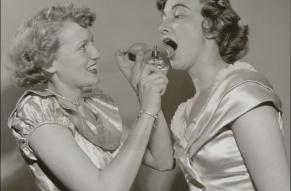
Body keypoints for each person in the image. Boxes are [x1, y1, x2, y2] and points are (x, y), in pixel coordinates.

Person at [117, 0, 290, 190]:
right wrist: (144, 88)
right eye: (163, 17)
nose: (162, 27)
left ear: (212, 26)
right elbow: (163, 162)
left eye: (178, 15)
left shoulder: (242, 94)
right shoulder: (187, 109)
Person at [7, 5, 172, 191]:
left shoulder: (95, 105)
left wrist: (144, 91)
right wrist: (147, 112)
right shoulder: (37, 111)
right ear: (49, 62)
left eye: (92, 42)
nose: (96, 53)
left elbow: (162, 160)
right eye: (83, 47)